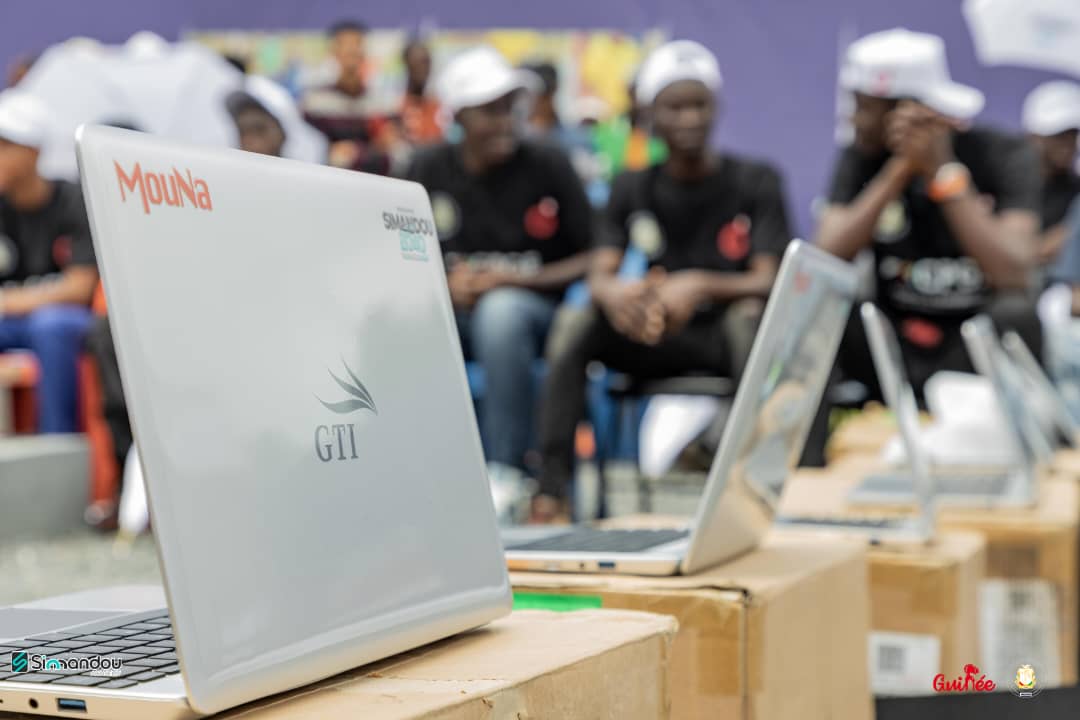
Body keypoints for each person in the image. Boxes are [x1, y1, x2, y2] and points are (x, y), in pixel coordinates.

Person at [534, 40, 792, 522]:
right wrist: (621, 298)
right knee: (575, 321)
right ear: (651, 113)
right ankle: (551, 492)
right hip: (650, 332)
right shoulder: (631, 185)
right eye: (675, 106)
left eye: (699, 104)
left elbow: (769, 278)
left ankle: (748, 487)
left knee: (749, 319)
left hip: (720, 336)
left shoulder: (756, 180)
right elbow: (601, 273)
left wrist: (696, 285)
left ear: (716, 108)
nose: (689, 118)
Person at [817, 29, 1043, 401]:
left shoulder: (1001, 153)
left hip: (972, 341)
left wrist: (943, 171)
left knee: (1017, 314)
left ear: (909, 111)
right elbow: (826, 257)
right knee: (826, 308)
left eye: (864, 107)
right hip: (893, 341)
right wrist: (900, 169)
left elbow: (1014, 272)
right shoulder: (861, 156)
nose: (854, 120)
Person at [406, 46, 593, 477]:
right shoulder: (425, 168)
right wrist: (441, 285)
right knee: (398, 318)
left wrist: (510, 281)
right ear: (459, 117)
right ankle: (414, 469)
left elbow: (593, 256)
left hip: (534, 315)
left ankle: (506, 473)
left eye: (511, 107)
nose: (506, 121)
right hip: (449, 316)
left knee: (501, 313)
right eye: (490, 111)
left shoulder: (549, 162)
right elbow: (387, 256)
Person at [0, 90, 98, 433]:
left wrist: (8, 301)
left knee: (51, 325)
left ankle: (58, 442)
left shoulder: (74, 199)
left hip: (71, 322)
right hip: (12, 322)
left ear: (33, 151)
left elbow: (79, 289)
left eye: (4, 145)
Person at [301, 20, 394, 173]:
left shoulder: (381, 102)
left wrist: (361, 151)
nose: (351, 50)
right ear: (333, 52)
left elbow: (387, 145)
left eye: (357, 44)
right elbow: (307, 146)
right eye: (344, 44)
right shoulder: (315, 100)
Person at [1022, 81, 1080, 267]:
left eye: (1073, 134)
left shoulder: (1076, 191)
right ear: (1033, 137)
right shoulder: (1003, 183)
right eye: (1059, 135)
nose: (1069, 143)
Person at [399, 38, 442, 147]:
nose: (422, 68)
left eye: (426, 62)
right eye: (416, 63)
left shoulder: (439, 104)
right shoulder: (396, 105)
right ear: (407, 64)